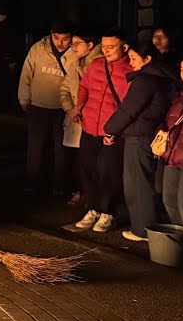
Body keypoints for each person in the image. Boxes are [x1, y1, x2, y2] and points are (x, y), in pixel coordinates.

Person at [105, 43, 172, 241]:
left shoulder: (146, 80)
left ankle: (143, 229)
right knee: (142, 180)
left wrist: (109, 129)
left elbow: (128, 110)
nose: (131, 62)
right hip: (146, 133)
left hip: (140, 135)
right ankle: (144, 226)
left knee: (138, 182)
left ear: (148, 59)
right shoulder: (162, 77)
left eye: (134, 58)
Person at [71, 30, 133, 233]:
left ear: (124, 47)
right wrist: (80, 107)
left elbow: (130, 104)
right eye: (104, 47)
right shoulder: (96, 64)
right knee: (88, 168)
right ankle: (93, 208)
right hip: (90, 126)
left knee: (110, 172)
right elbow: (84, 87)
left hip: (112, 131)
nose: (106, 51)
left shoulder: (131, 70)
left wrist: (116, 129)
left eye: (111, 47)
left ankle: (109, 211)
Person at [17, 22, 76, 197]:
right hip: (38, 105)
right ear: (51, 34)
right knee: (36, 148)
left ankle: (59, 185)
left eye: (65, 39)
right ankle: (34, 184)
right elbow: (26, 73)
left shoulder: (75, 51)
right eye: (56, 38)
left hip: (63, 108)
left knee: (61, 149)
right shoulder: (38, 49)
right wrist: (24, 98)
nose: (60, 43)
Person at [59, 31, 101, 205]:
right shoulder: (74, 64)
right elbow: (64, 89)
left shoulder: (98, 65)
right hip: (75, 120)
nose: (73, 47)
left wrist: (81, 109)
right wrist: (69, 108)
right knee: (76, 160)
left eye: (77, 43)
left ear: (90, 45)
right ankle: (80, 192)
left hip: (93, 122)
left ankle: (93, 198)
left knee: (91, 162)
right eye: (73, 44)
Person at [158, 54, 183, 230]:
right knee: (169, 200)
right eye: (182, 70)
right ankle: (180, 243)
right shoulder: (181, 92)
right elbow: (170, 119)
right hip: (173, 153)